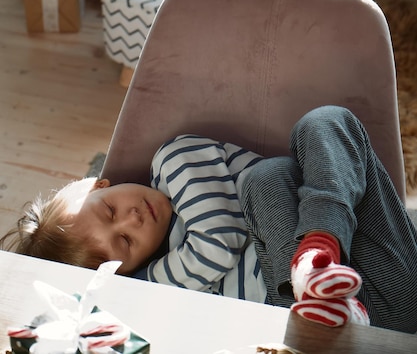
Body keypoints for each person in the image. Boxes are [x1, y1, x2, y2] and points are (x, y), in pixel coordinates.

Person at [1, 106, 417, 333]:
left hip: (381, 272)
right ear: (120, 270)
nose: (132, 219)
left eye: (110, 210)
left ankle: (316, 256)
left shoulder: (174, 161)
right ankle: (321, 292)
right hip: (311, 323)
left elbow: (218, 240)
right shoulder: (156, 286)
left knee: (316, 130)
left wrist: (141, 281)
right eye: (125, 243)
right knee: (267, 176)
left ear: (101, 184)